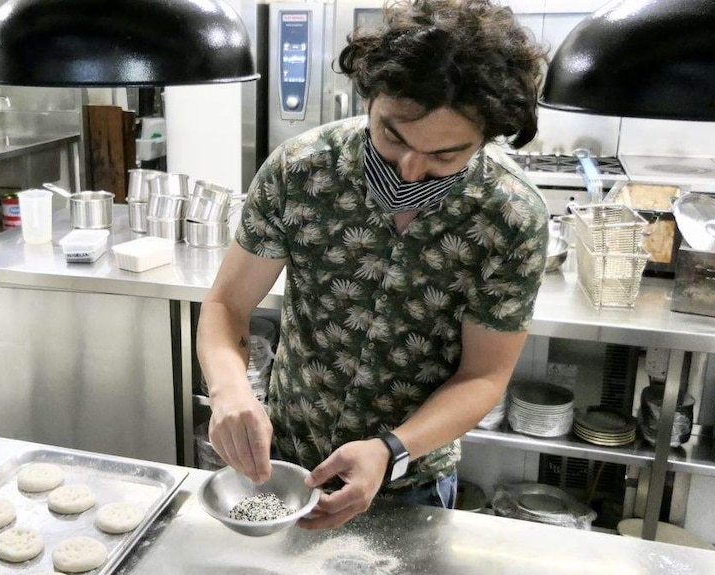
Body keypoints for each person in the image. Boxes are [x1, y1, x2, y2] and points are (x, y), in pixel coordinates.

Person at [196, 0, 549, 530]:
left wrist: (390, 450)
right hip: (285, 462)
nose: (409, 170)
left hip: (411, 479)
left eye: (444, 156)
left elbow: (483, 376)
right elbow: (227, 304)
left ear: (485, 139)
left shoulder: (509, 217)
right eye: (392, 136)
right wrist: (229, 391)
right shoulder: (301, 171)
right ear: (370, 99)